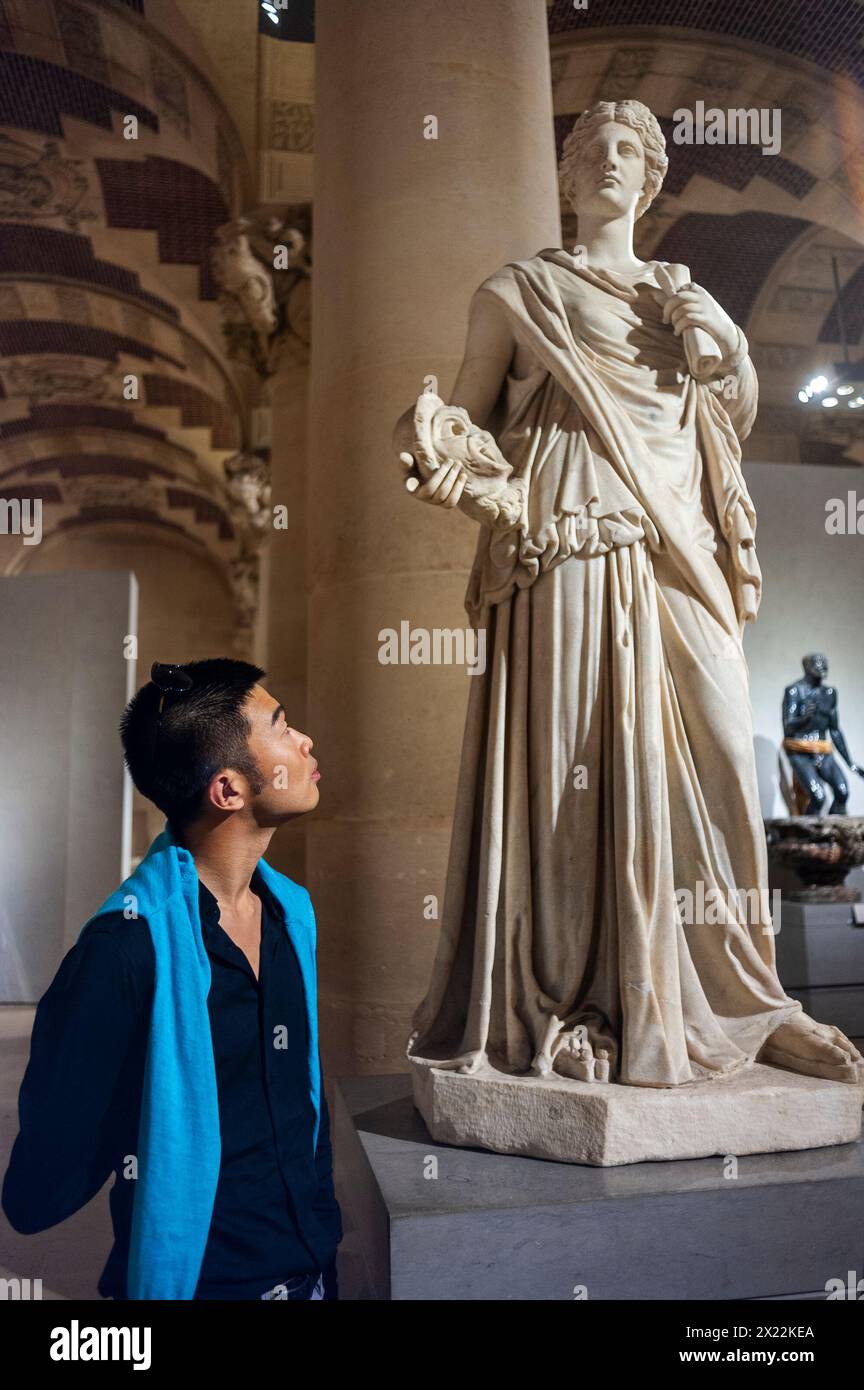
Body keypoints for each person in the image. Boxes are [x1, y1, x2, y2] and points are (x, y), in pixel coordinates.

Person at [396, 99, 864, 1089]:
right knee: (571, 766)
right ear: (567, 175)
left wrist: (726, 354)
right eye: (592, 149)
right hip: (567, 536)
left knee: (725, 763)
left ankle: (741, 997)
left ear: (650, 182)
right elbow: (468, 424)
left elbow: (720, 431)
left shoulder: (681, 297)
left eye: (630, 152)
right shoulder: (520, 291)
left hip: (679, 545)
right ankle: (581, 1003)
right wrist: (440, 446)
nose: (609, 162)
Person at [2, 658, 342, 1300]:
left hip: (312, 1265)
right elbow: (39, 1187)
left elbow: (303, 1103)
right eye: (282, 725)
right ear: (229, 791)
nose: (305, 741)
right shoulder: (124, 949)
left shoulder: (290, 912)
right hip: (205, 1284)